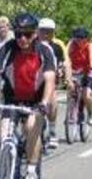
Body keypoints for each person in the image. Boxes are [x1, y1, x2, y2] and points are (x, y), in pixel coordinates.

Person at [0, 13, 56, 179]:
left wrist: (44, 103)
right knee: (2, 138)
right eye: (18, 34)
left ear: (35, 34)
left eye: (27, 34)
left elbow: (50, 79)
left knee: (30, 128)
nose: (22, 38)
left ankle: (32, 170)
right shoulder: (8, 48)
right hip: (12, 99)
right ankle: (4, 169)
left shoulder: (44, 50)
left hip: (35, 101)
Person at [37, 18, 71, 149]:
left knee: (52, 103)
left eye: (49, 32)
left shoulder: (58, 45)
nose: (46, 34)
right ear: (38, 31)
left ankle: (52, 130)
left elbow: (66, 63)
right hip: (34, 80)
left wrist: (68, 78)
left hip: (51, 79)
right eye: (43, 31)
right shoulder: (32, 44)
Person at [66, 27, 92, 125]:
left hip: (88, 71)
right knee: (71, 88)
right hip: (75, 71)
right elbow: (65, 55)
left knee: (86, 95)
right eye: (77, 37)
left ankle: (90, 114)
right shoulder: (72, 43)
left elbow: (91, 59)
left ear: (86, 38)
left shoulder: (89, 45)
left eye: (82, 38)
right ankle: (71, 112)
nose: (79, 40)